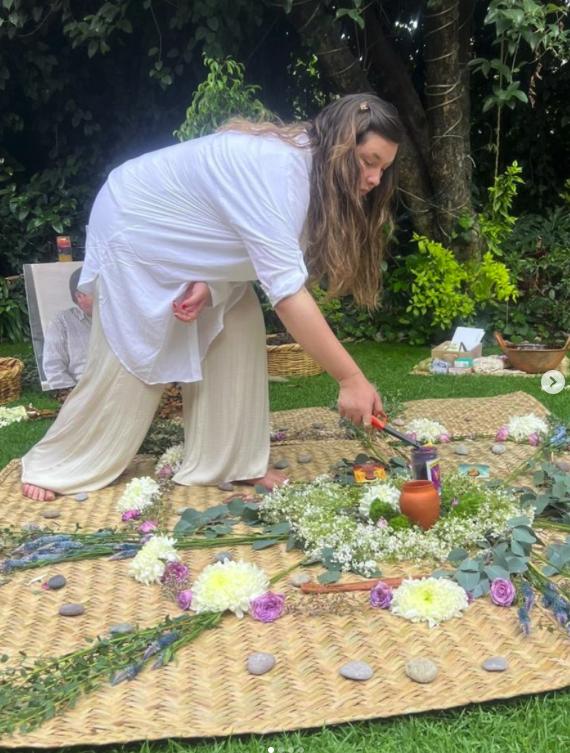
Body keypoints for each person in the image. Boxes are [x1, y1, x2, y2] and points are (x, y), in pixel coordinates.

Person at [21, 93, 402, 502]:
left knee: (237, 316)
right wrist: (351, 379)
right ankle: (60, 463)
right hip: (134, 221)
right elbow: (288, 293)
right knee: (138, 351)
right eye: (369, 161)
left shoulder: (305, 170)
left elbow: (237, 243)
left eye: (383, 167)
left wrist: (211, 281)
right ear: (341, 146)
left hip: (178, 232)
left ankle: (229, 461)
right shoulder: (281, 170)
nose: (376, 179)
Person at [42, 267, 93, 390]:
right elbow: (54, 367)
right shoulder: (62, 321)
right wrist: (74, 397)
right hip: (83, 392)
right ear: (79, 296)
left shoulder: (119, 318)